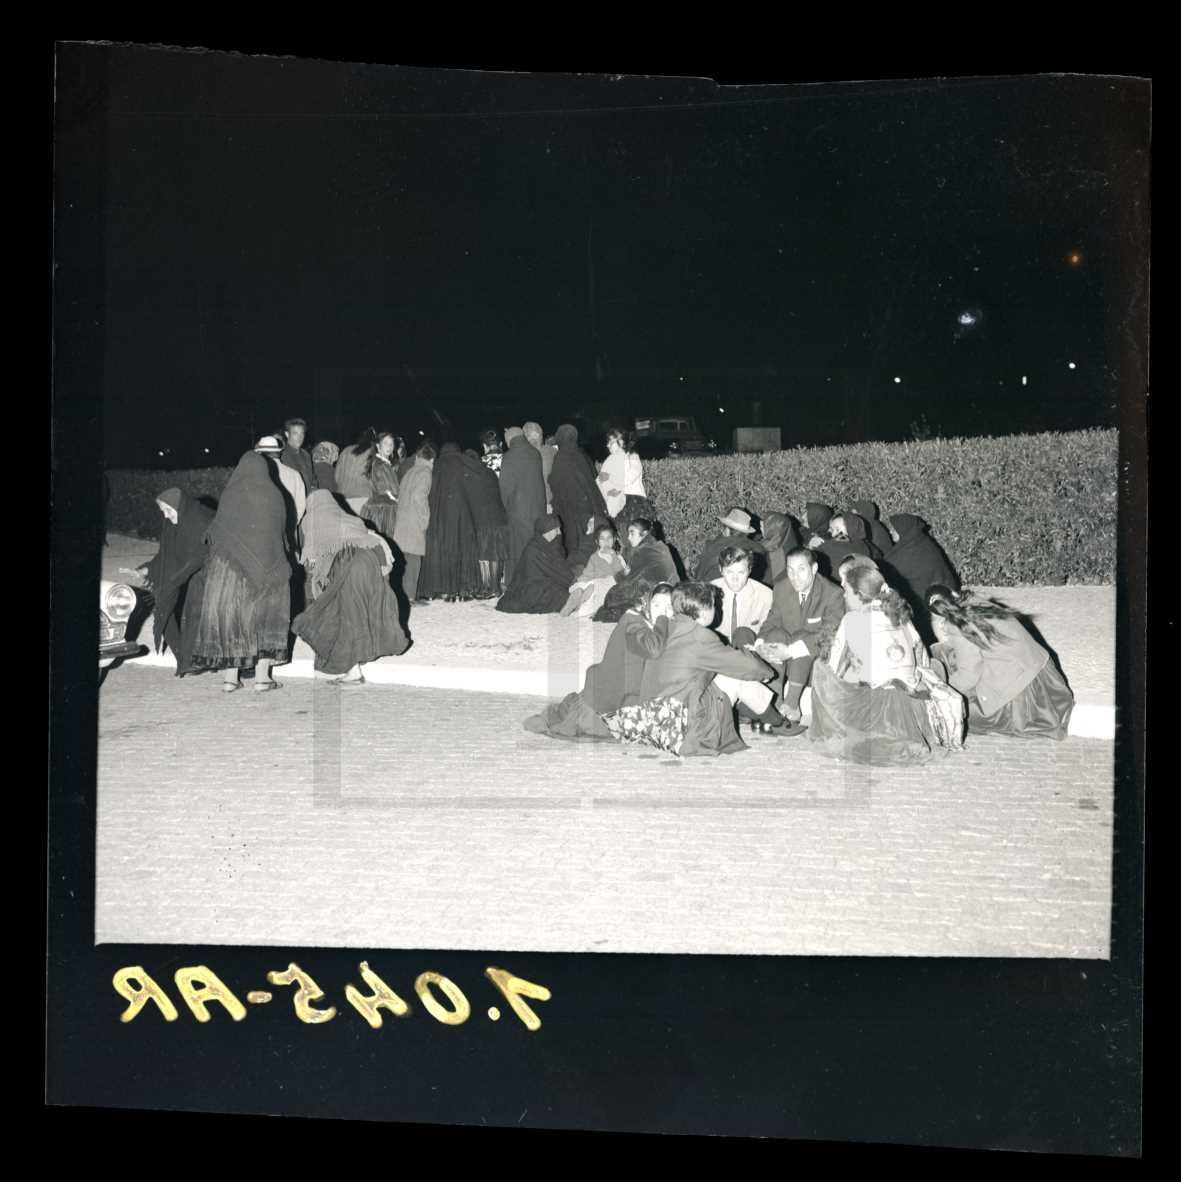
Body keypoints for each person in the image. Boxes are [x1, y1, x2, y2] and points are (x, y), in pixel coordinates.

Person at [807, 564, 965, 764]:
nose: (844, 596)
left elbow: (836, 668)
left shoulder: (852, 619)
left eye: (846, 591)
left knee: (820, 668)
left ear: (859, 594)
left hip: (873, 706)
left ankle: (833, 731)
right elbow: (922, 658)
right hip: (910, 700)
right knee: (934, 665)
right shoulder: (901, 615)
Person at [608, 582, 781, 756]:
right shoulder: (700, 636)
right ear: (704, 611)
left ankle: (767, 718)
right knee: (737, 677)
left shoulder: (665, 626)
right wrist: (767, 673)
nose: (717, 609)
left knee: (725, 672)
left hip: (652, 722)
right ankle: (779, 721)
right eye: (715, 605)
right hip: (681, 734)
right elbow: (748, 666)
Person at [190, 450, 292, 693]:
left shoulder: (231, 493)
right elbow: (280, 534)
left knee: (233, 620)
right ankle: (262, 679)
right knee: (265, 618)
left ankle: (230, 679)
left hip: (230, 571)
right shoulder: (275, 494)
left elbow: (218, 532)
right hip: (268, 568)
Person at [525, 581, 675, 741]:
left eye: (668, 606)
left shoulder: (655, 626)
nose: (662, 611)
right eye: (657, 605)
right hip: (605, 704)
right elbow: (652, 652)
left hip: (620, 694)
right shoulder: (633, 623)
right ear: (647, 603)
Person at [927, 585, 1073, 739]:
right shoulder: (975, 601)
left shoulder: (955, 625)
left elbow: (968, 677)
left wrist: (940, 690)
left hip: (1020, 696)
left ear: (938, 619)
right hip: (1042, 676)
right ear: (954, 594)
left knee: (959, 713)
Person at [292, 492, 409, 685]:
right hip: (370, 564)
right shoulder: (349, 518)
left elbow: (311, 558)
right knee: (357, 614)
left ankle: (353, 671)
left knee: (343, 616)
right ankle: (354, 665)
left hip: (347, 565)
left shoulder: (310, 519)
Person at [752, 547, 846, 735]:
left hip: (814, 658)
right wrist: (760, 644)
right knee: (775, 634)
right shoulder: (781, 587)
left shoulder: (833, 593)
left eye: (801, 569)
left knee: (801, 637)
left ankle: (792, 704)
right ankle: (775, 705)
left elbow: (828, 635)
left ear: (814, 568)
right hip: (784, 653)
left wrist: (790, 651)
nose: (794, 577)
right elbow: (773, 619)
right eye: (790, 569)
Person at [140, 487, 214, 677]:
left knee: (194, 613)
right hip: (184, 572)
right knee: (162, 606)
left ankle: (199, 660)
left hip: (207, 573)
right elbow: (166, 553)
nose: (165, 515)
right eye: (163, 511)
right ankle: (185, 659)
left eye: (168, 510)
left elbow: (201, 555)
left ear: (179, 506)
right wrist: (148, 568)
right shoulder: (172, 522)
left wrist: (176, 580)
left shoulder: (201, 519)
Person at [417, 442, 484, 601]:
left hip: (440, 516)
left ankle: (440, 587)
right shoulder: (464, 463)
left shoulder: (437, 466)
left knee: (442, 548)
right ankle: (464, 587)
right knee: (463, 547)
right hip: (462, 515)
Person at [594, 518, 678, 623]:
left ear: (644, 534)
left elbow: (628, 577)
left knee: (612, 596)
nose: (628, 538)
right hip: (672, 591)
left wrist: (614, 583)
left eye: (632, 533)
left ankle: (639, 610)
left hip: (657, 593)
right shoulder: (659, 546)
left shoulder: (644, 550)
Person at [549, 423, 609, 555]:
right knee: (590, 545)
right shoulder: (581, 455)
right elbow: (592, 480)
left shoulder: (562, 457)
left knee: (576, 548)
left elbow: (555, 483)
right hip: (588, 509)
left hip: (572, 512)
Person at [495, 514, 574, 614]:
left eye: (559, 529)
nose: (560, 532)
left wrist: (571, 579)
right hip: (531, 585)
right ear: (546, 531)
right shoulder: (533, 550)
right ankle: (572, 603)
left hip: (549, 580)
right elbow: (550, 571)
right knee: (554, 594)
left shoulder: (555, 543)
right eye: (556, 529)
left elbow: (560, 566)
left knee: (560, 590)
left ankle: (573, 601)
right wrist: (571, 580)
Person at [459, 446, 510, 597]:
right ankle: (495, 587)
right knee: (494, 553)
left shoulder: (469, 475)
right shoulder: (489, 472)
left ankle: (487, 586)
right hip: (499, 518)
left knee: (484, 555)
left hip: (483, 520)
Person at [499, 426, 547, 585]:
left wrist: (504, 508)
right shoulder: (535, 453)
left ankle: (516, 584)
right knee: (534, 546)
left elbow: (505, 488)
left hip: (518, 512)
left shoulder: (509, 456)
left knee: (518, 549)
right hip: (537, 509)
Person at [882, 513, 961, 604]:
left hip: (932, 601)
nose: (890, 532)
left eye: (893, 529)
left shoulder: (904, 552)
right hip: (950, 590)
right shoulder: (922, 540)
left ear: (902, 530)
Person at [597, 428, 653, 550]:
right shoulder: (611, 461)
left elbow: (629, 478)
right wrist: (607, 486)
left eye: (611, 442)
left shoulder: (632, 457)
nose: (608, 445)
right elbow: (600, 481)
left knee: (637, 541)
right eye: (608, 442)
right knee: (623, 541)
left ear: (621, 442)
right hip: (618, 503)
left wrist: (610, 479)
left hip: (634, 503)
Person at [393, 441, 435, 605]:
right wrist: (424, 518)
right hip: (414, 519)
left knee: (404, 557)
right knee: (414, 559)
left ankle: (402, 595)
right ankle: (410, 597)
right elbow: (419, 497)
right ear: (432, 460)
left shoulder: (410, 471)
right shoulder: (425, 472)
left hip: (403, 518)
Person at [560, 522, 628, 617]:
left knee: (595, 588)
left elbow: (620, 575)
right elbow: (588, 573)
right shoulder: (595, 557)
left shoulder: (618, 557)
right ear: (597, 542)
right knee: (586, 586)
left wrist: (613, 557)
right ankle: (576, 599)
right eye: (602, 539)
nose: (606, 542)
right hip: (593, 582)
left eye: (609, 538)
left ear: (614, 540)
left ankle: (579, 607)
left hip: (610, 585)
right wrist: (580, 582)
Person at [694, 508, 767, 583]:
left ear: (727, 530)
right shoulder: (759, 550)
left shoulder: (714, 547)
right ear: (747, 533)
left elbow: (698, 575)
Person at [254, 434, 306, 534]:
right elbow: (301, 505)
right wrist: (292, 524)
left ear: (261, 454)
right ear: (278, 453)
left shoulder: (257, 473)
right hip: (289, 529)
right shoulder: (295, 475)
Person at [360, 429, 400, 543]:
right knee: (385, 541)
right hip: (384, 510)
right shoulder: (381, 465)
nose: (389, 447)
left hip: (379, 508)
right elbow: (392, 491)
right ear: (378, 446)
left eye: (391, 444)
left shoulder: (380, 463)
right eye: (386, 443)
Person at [335, 429, 377, 514]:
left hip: (343, 500)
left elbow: (336, 477)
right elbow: (375, 479)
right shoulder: (372, 452)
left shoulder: (346, 451)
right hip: (363, 499)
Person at [758, 511, 804, 585]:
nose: (760, 528)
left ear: (772, 529)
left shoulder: (777, 553)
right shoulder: (785, 540)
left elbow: (772, 581)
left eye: (763, 526)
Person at [522, 421, 557, 512]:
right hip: (552, 502)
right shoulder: (552, 452)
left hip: (530, 506)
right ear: (541, 436)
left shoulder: (520, 455)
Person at [280, 418, 317, 493]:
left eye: (302, 433)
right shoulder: (282, 456)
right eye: (295, 433)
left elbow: (313, 478)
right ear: (287, 434)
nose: (299, 437)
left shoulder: (306, 455)